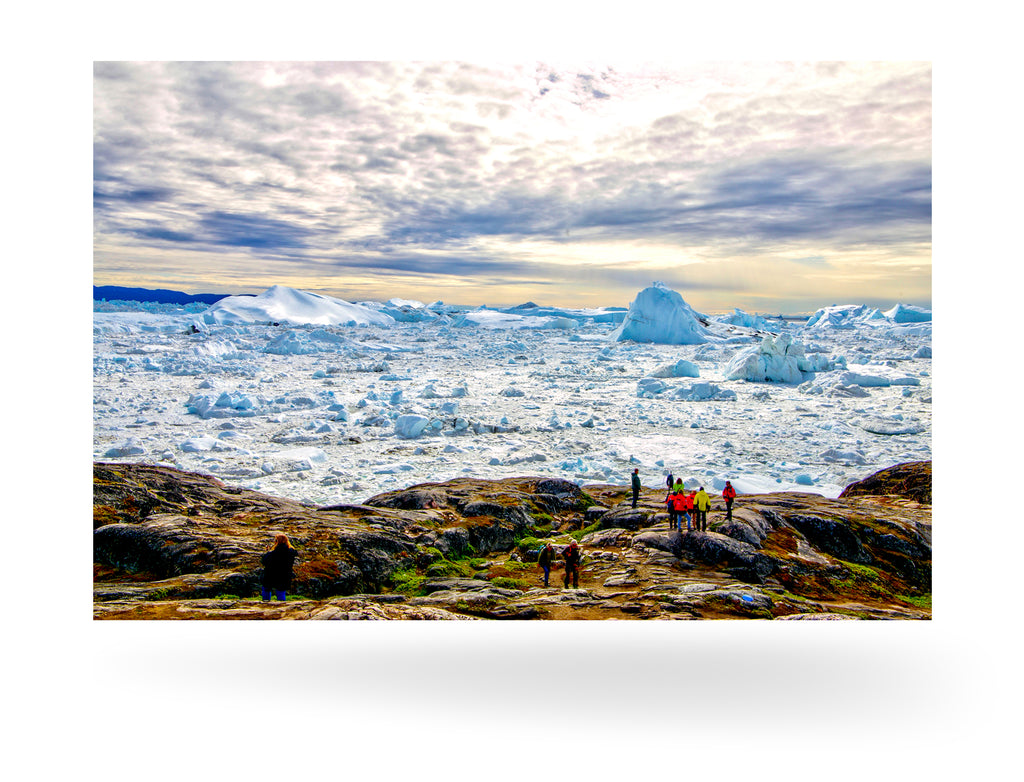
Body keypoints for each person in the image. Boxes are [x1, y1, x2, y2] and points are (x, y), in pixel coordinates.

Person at [260, 534, 297, 601]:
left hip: (270, 574)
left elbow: (264, 561)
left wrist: (267, 552)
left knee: (266, 589)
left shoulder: (272, 553)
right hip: (285, 574)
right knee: (281, 592)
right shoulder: (291, 552)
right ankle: (282, 606)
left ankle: (265, 605)